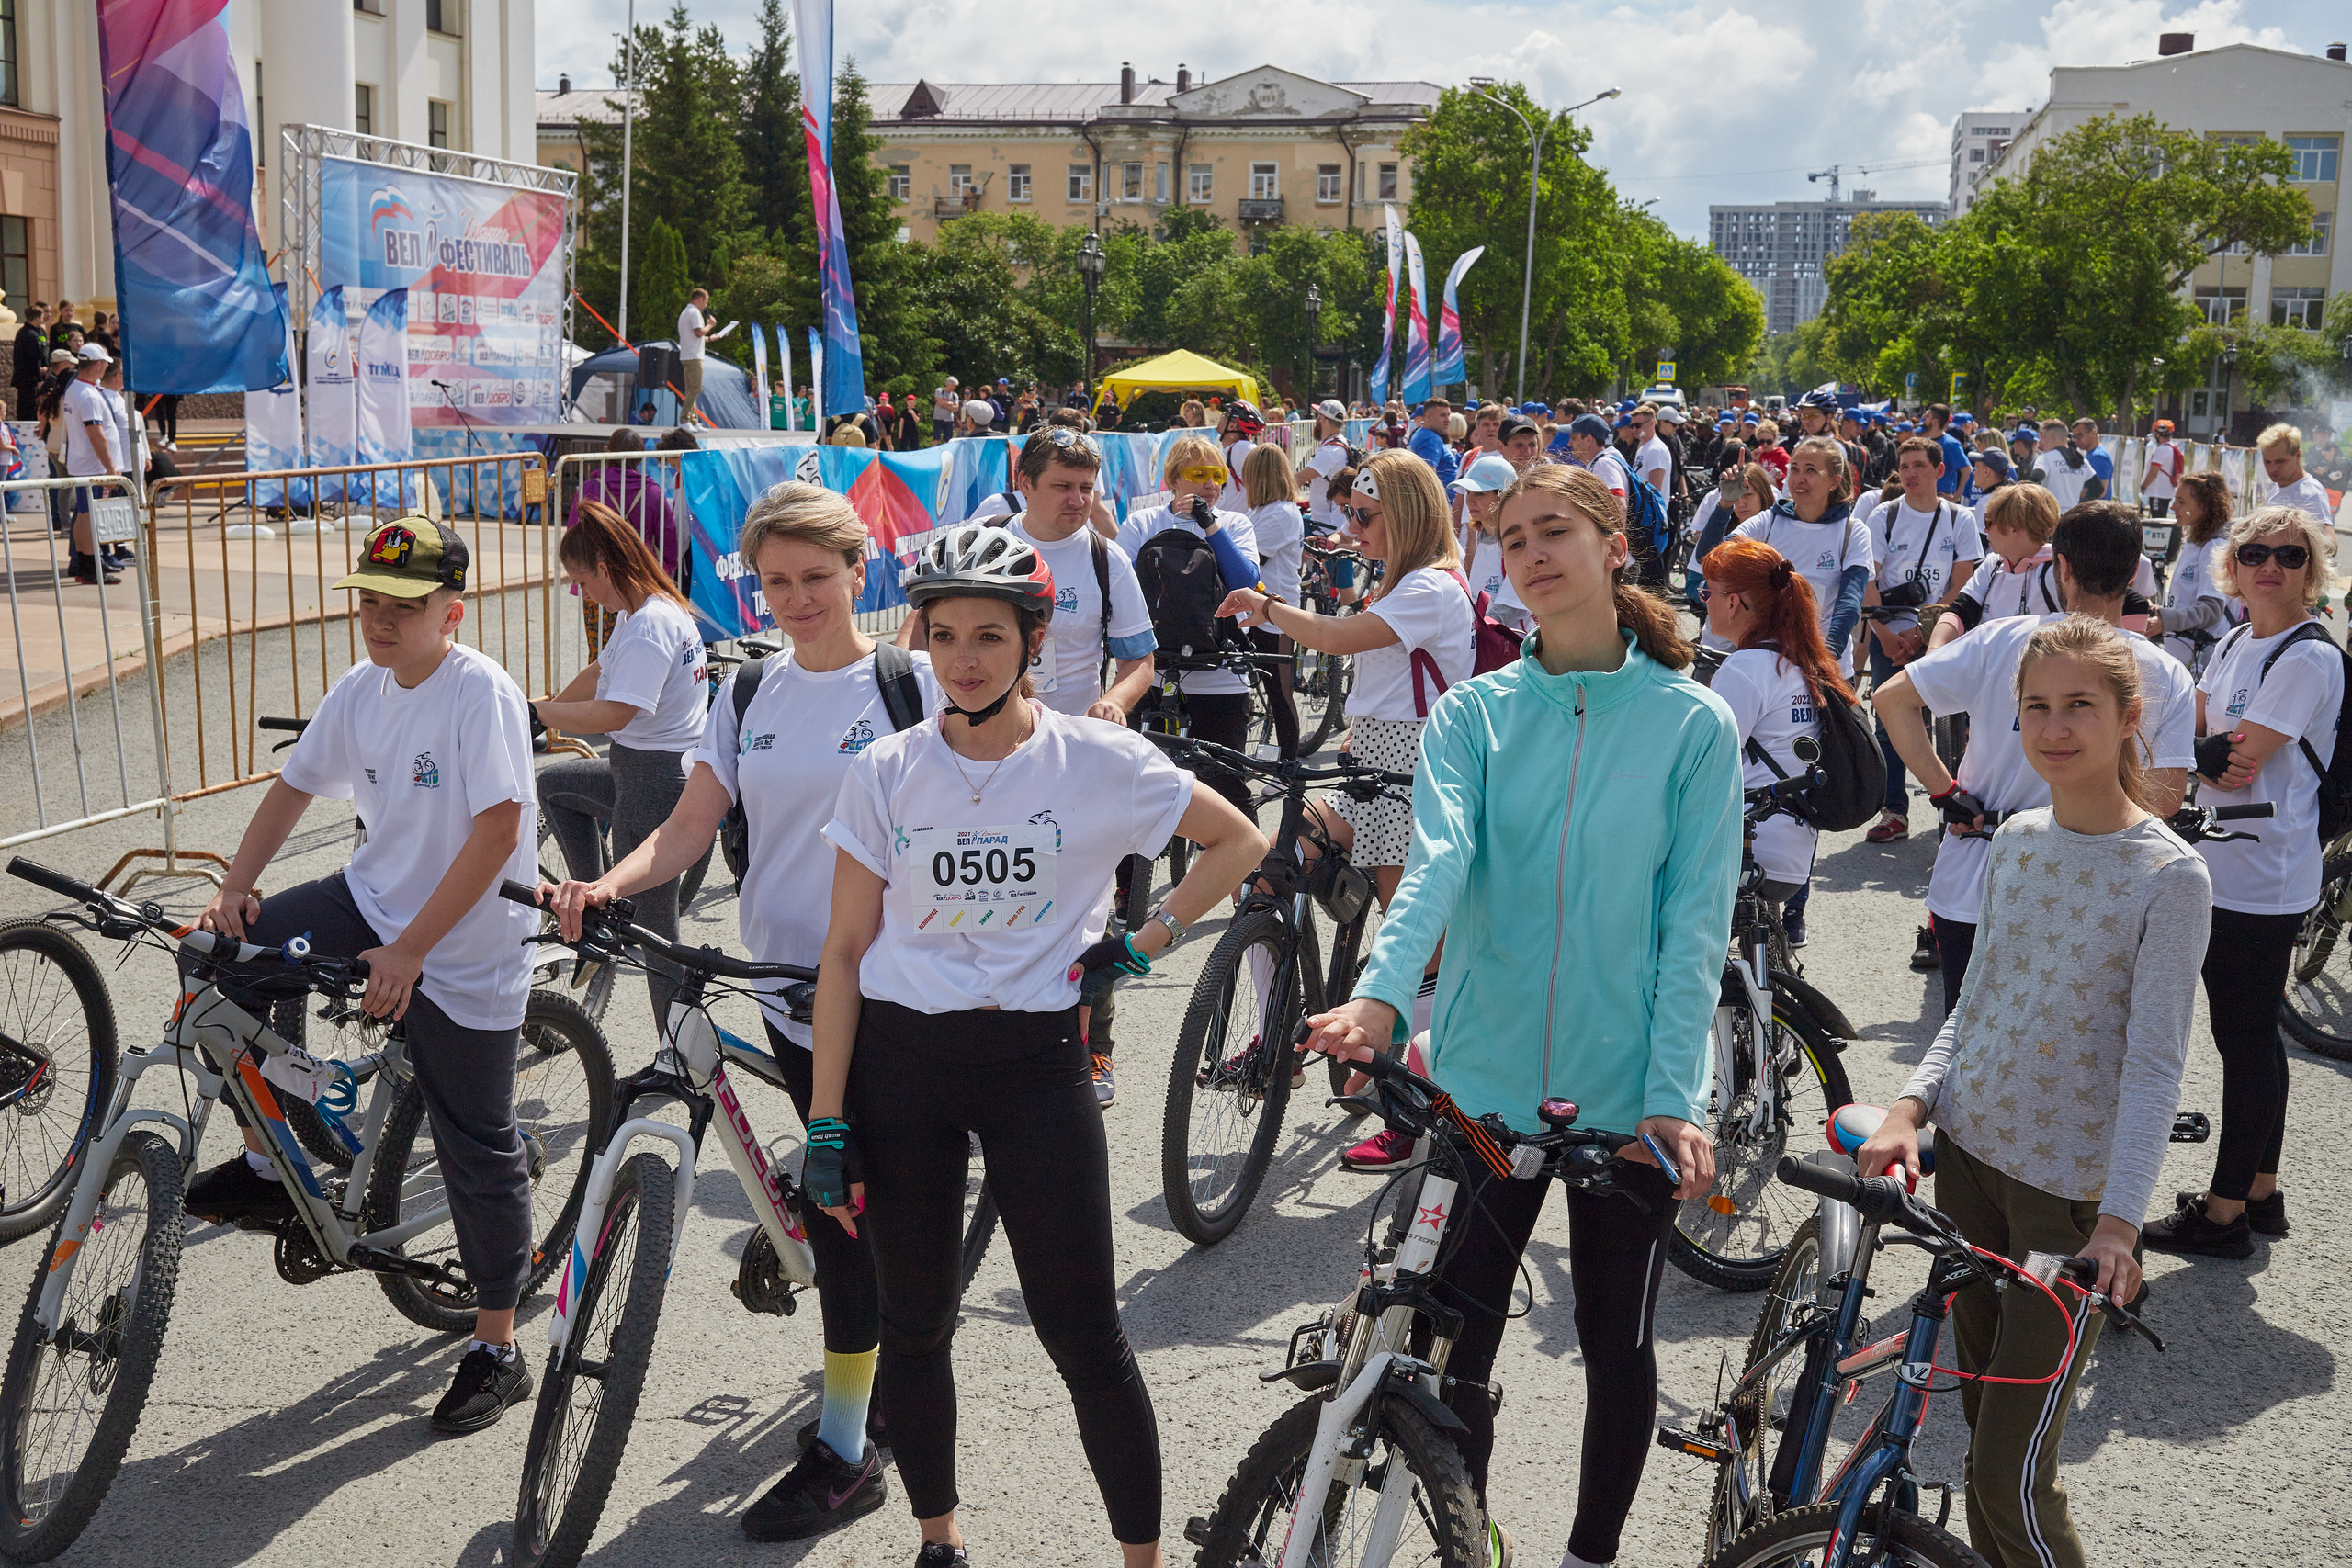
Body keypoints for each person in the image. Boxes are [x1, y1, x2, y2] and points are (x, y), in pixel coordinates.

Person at [1301, 460, 1734, 1568]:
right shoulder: (1476, 716)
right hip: (1487, 1090)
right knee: (1462, 1339)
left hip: (1629, 1098)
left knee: (1613, 1342)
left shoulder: (1692, 725)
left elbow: (1694, 931)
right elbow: (1436, 870)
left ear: (1613, 547)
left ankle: (1590, 1556)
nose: (1532, 554)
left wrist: (1675, 1096)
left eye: (1556, 533)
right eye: (1514, 537)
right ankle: (1466, 1539)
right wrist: (1382, 998)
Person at [806, 524, 1264, 1568]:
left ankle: (1140, 1560)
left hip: (1035, 1067)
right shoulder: (885, 770)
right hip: (901, 1067)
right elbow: (841, 955)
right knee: (914, 1330)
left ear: (1034, 642)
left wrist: (1141, 948)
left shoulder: (1095, 758)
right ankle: (939, 1539)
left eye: (989, 637)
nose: (963, 659)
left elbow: (1241, 837)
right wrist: (826, 1122)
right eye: (944, 635)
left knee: (1085, 1339)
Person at [549, 484, 942, 1540]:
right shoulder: (749, 689)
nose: (798, 598)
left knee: (848, 1212)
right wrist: (604, 887)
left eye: (818, 577)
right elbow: (687, 827)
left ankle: (850, 1450)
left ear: (861, 573)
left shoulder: (910, 687)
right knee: (831, 1193)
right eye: (776, 581)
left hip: (887, 992)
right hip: (780, 981)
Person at [1856, 615, 2211, 1568]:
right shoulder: (2011, 840)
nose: (2054, 728)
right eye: (2034, 708)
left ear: (2129, 717)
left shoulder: (2170, 875)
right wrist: (1911, 1106)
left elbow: (2152, 1066)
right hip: (1969, 1170)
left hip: (2068, 1210)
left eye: (2079, 706)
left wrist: (2121, 1225)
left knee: (2009, 1477)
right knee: (1983, 1439)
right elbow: (1975, 1009)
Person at [188, 517, 542, 1434]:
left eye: (404, 606)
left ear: (451, 614)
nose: (379, 620)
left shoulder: (480, 695)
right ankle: (275, 1161)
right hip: (370, 899)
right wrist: (234, 890)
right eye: (369, 601)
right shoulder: (362, 687)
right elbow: (293, 788)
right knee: (215, 971)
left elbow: (498, 835)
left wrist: (415, 950)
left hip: (464, 944)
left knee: (477, 1145)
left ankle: (496, 1349)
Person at [1218, 449, 1474, 1168]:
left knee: (1414, 949)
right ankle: (1276, 1041)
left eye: (1366, 516)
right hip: (1374, 762)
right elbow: (1379, 686)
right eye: (1353, 515)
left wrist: (1264, 604)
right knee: (1264, 871)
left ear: (1409, 515)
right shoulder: (1402, 581)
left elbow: (1333, 639)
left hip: (1417, 769)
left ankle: (1411, 1107)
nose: (1354, 527)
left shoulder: (1430, 586)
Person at [1877, 502, 2193, 1014]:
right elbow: (2165, 799)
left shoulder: (2004, 638)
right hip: (2096, 891)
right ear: (2136, 570)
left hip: (1979, 877)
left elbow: (1891, 699)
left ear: (2060, 566)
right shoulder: (2163, 670)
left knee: (1970, 1053)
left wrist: (1945, 792)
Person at [2143, 502, 2340, 1260]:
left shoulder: (2305, 656)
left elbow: (2235, 759)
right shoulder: (2233, 639)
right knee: (2251, 1033)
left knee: (2244, 1036)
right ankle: (2261, 1193)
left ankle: (2221, 1215)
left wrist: (2178, 746)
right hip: (2223, 863)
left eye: (2290, 556)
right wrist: (2191, 741)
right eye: (2255, 551)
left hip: (2264, 873)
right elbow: (2200, 729)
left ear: (2311, 571)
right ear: (2234, 562)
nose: (2269, 566)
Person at [531, 500, 712, 1018]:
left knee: (658, 935)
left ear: (606, 570)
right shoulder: (642, 610)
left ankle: (677, 1050)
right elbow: (599, 671)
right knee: (557, 787)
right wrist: (542, 716)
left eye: (581, 582)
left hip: (655, 783)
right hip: (640, 772)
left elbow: (617, 713)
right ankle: (595, 909)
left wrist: (542, 711)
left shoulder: (650, 623)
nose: (580, 593)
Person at [1702, 536, 1848, 946]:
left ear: (1734, 602)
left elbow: (1708, 766)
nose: (1704, 602)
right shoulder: (1803, 663)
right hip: (1794, 854)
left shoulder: (1745, 668)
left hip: (1749, 849)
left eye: (1707, 592)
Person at [1115, 434, 1262, 818]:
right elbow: (1120, 591)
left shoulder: (1234, 523)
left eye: (1218, 475)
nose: (1211, 483)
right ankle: (1130, 878)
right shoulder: (1142, 522)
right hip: (1151, 668)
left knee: (1228, 787)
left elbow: (1244, 579)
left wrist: (1210, 525)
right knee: (1130, 788)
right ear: (1174, 479)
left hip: (1220, 672)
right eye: (1199, 474)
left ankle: (1242, 873)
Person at [1861, 437, 1983, 844]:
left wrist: (1922, 633)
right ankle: (1894, 811)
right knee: (1891, 724)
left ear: (1939, 471)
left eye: (1918, 465)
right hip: (1888, 636)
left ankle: (1955, 812)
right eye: (1904, 466)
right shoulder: (1884, 516)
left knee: (1951, 723)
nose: (1910, 474)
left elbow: (1963, 585)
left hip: (1940, 638)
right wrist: (1885, 634)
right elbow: (1868, 578)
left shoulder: (1960, 518)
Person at [1729, 435, 1871, 661]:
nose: (1799, 479)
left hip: (1826, 665)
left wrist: (1828, 656)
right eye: (1794, 469)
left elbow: (1850, 601)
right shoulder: (1769, 521)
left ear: (1834, 481)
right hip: (1769, 664)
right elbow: (1713, 561)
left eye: (1811, 471)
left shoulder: (1853, 531)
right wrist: (1723, 507)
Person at [1931, 484, 2063, 649]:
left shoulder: (2054, 573)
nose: (1986, 530)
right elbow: (1960, 612)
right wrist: (1933, 651)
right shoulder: (1993, 564)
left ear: (2015, 528)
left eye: (1989, 522)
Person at [1238, 441, 1305, 757]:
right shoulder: (1265, 511)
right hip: (1263, 609)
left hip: (1278, 613)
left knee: (1280, 693)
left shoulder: (1280, 514)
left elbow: (1250, 562)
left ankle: (1289, 768)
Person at [2146, 471, 2237, 669]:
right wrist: (2160, 612)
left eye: (2181, 502)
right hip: (2186, 656)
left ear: (2204, 507)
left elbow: (2211, 611)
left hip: (2201, 662)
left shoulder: (2215, 545)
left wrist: (2165, 620)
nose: (2172, 507)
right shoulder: (2198, 541)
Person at [58, 344, 119, 586]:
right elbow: (96, 434)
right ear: (98, 365)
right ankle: (91, 567)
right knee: (90, 517)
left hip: (82, 463)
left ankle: (84, 564)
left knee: (84, 515)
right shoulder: (88, 394)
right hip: (93, 467)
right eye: (104, 363)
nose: (106, 366)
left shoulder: (76, 388)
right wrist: (112, 470)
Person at [2256, 422, 2335, 524]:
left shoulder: (2311, 494)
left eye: (2280, 461)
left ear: (2297, 456)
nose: (2272, 468)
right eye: (2267, 462)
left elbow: (2328, 538)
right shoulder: (2278, 488)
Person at [1408, 396, 1461, 487]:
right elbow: (1427, 477)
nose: (1448, 420)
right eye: (1443, 415)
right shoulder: (1430, 439)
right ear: (1428, 416)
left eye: (1448, 415)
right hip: (1443, 499)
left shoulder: (1420, 433)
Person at [675, 286, 711, 418]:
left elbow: (694, 337)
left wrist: (711, 338)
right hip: (694, 356)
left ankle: (692, 420)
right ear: (700, 299)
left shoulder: (686, 312)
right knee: (696, 389)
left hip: (687, 354)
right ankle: (685, 419)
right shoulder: (694, 312)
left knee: (691, 390)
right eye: (706, 301)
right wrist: (710, 325)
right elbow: (698, 332)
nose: (706, 305)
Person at [2141, 419, 2183, 516]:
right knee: (2161, 517)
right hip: (2165, 490)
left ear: (2159, 434)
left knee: (2157, 520)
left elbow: (2153, 473)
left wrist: (2144, 486)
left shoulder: (2161, 450)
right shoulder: (2171, 447)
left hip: (2157, 491)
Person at [11, 302, 45, 420]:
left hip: (21, 379)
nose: (42, 320)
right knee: (30, 409)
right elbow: (33, 359)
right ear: (36, 319)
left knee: (22, 407)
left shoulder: (21, 332)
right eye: (41, 317)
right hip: (30, 381)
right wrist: (39, 379)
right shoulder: (32, 335)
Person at [933, 377, 961, 444]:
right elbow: (940, 402)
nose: (954, 387)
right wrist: (951, 404)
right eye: (953, 385)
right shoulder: (939, 391)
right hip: (938, 418)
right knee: (936, 438)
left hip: (949, 419)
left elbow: (956, 408)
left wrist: (943, 404)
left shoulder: (955, 395)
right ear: (948, 384)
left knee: (947, 439)